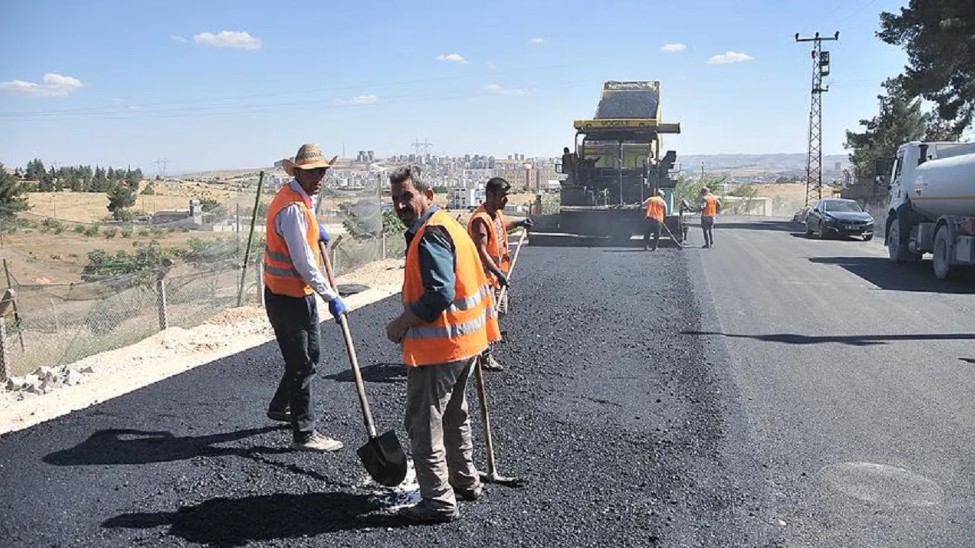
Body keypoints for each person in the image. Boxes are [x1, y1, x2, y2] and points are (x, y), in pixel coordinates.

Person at [385, 166, 501, 524]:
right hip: (467, 343)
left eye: (407, 196)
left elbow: (440, 292)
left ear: (427, 195)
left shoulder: (432, 233)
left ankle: (437, 499)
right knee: (454, 415)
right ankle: (465, 480)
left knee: (424, 422)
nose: (401, 204)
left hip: (440, 347)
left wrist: (401, 323)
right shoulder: (450, 225)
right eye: (396, 198)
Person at [263, 143, 347, 452]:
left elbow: (303, 236)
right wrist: (331, 296)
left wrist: (316, 229)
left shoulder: (302, 200)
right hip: (287, 297)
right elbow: (304, 264)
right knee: (301, 364)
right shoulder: (294, 208)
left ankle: (280, 406)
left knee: (310, 355)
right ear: (297, 172)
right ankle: (305, 433)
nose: (318, 177)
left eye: (322, 171)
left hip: (297, 293)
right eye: (311, 172)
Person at [466, 177, 533, 370]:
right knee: (489, 316)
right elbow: (481, 251)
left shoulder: (495, 214)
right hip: (484, 278)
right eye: (503, 195)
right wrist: (498, 273)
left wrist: (520, 222)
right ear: (491, 195)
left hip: (495, 278)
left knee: (499, 311)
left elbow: (503, 225)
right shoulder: (480, 220)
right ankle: (483, 355)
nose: (506, 199)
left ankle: (481, 348)